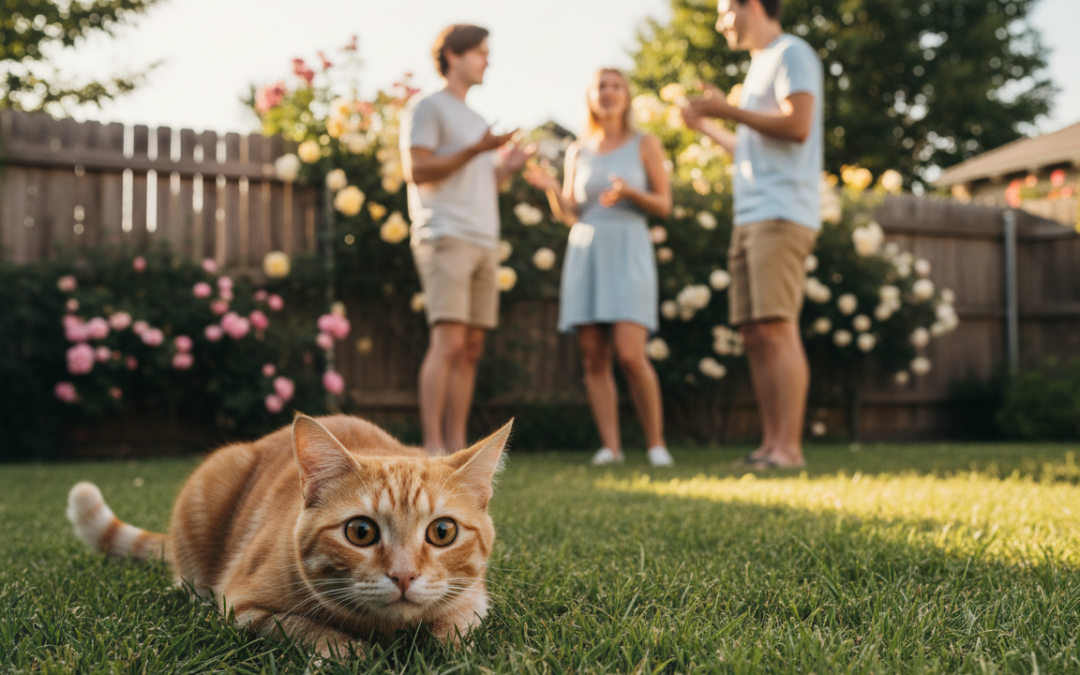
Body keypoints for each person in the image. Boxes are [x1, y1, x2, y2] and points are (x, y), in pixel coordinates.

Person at [680, 0, 823, 468]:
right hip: (752, 215)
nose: (721, 22)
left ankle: (789, 449)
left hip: (782, 212)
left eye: (725, 11)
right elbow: (750, 148)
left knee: (777, 325)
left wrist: (728, 109)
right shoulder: (760, 66)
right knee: (755, 330)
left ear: (753, 6)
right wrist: (709, 125)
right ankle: (770, 444)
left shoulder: (791, 53)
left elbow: (798, 125)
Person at [525, 68, 674, 467]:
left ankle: (656, 444)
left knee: (630, 353)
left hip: (629, 246)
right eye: (600, 87)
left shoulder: (646, 143)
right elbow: (572, 214)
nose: (607, 93)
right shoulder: (579, 150)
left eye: (615, 86)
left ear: (627, 95)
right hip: (587, 249)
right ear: (590, 97)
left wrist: (630, 192)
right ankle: (611, 447)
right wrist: (554, 189)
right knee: (593, 356)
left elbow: (664, 205)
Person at [401, 24, 531, 455]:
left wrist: (506, 166)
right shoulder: (428, 108)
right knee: (449, 341)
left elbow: (477, 183)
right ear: (453, 56)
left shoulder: (475, 121)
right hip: (445, 235)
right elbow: (417, 170)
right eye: (480, 52)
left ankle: (456, 446)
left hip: (483, 239)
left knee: (472, 347)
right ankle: (433, 444)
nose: (487, 60)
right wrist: (478, 149)